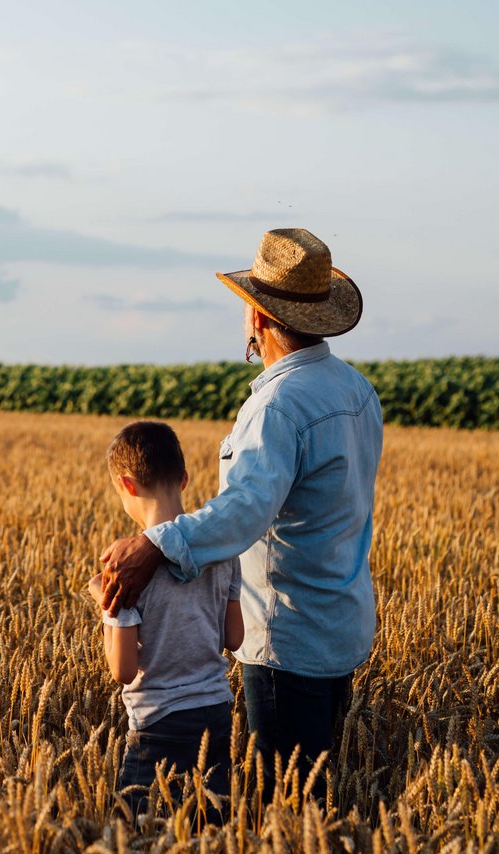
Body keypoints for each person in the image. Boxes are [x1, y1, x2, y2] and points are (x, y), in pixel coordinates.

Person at [99, 228, 383, 798]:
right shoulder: (356, 391)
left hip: (286, 639)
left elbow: (245, 511)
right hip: (342, 624)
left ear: (257, 318)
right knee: (314, 799)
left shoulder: (278, 405)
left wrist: (156, 544)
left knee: (286, 804)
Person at [85, 420, 244, 820]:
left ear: (128, 485)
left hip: (158, 723)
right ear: (185, 479)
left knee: (139, 829)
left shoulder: (127, 571)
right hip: (216, 713)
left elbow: (122, 669)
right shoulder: (223, 552)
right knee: (208, 826)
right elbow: (236, 637)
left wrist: (104, 601)